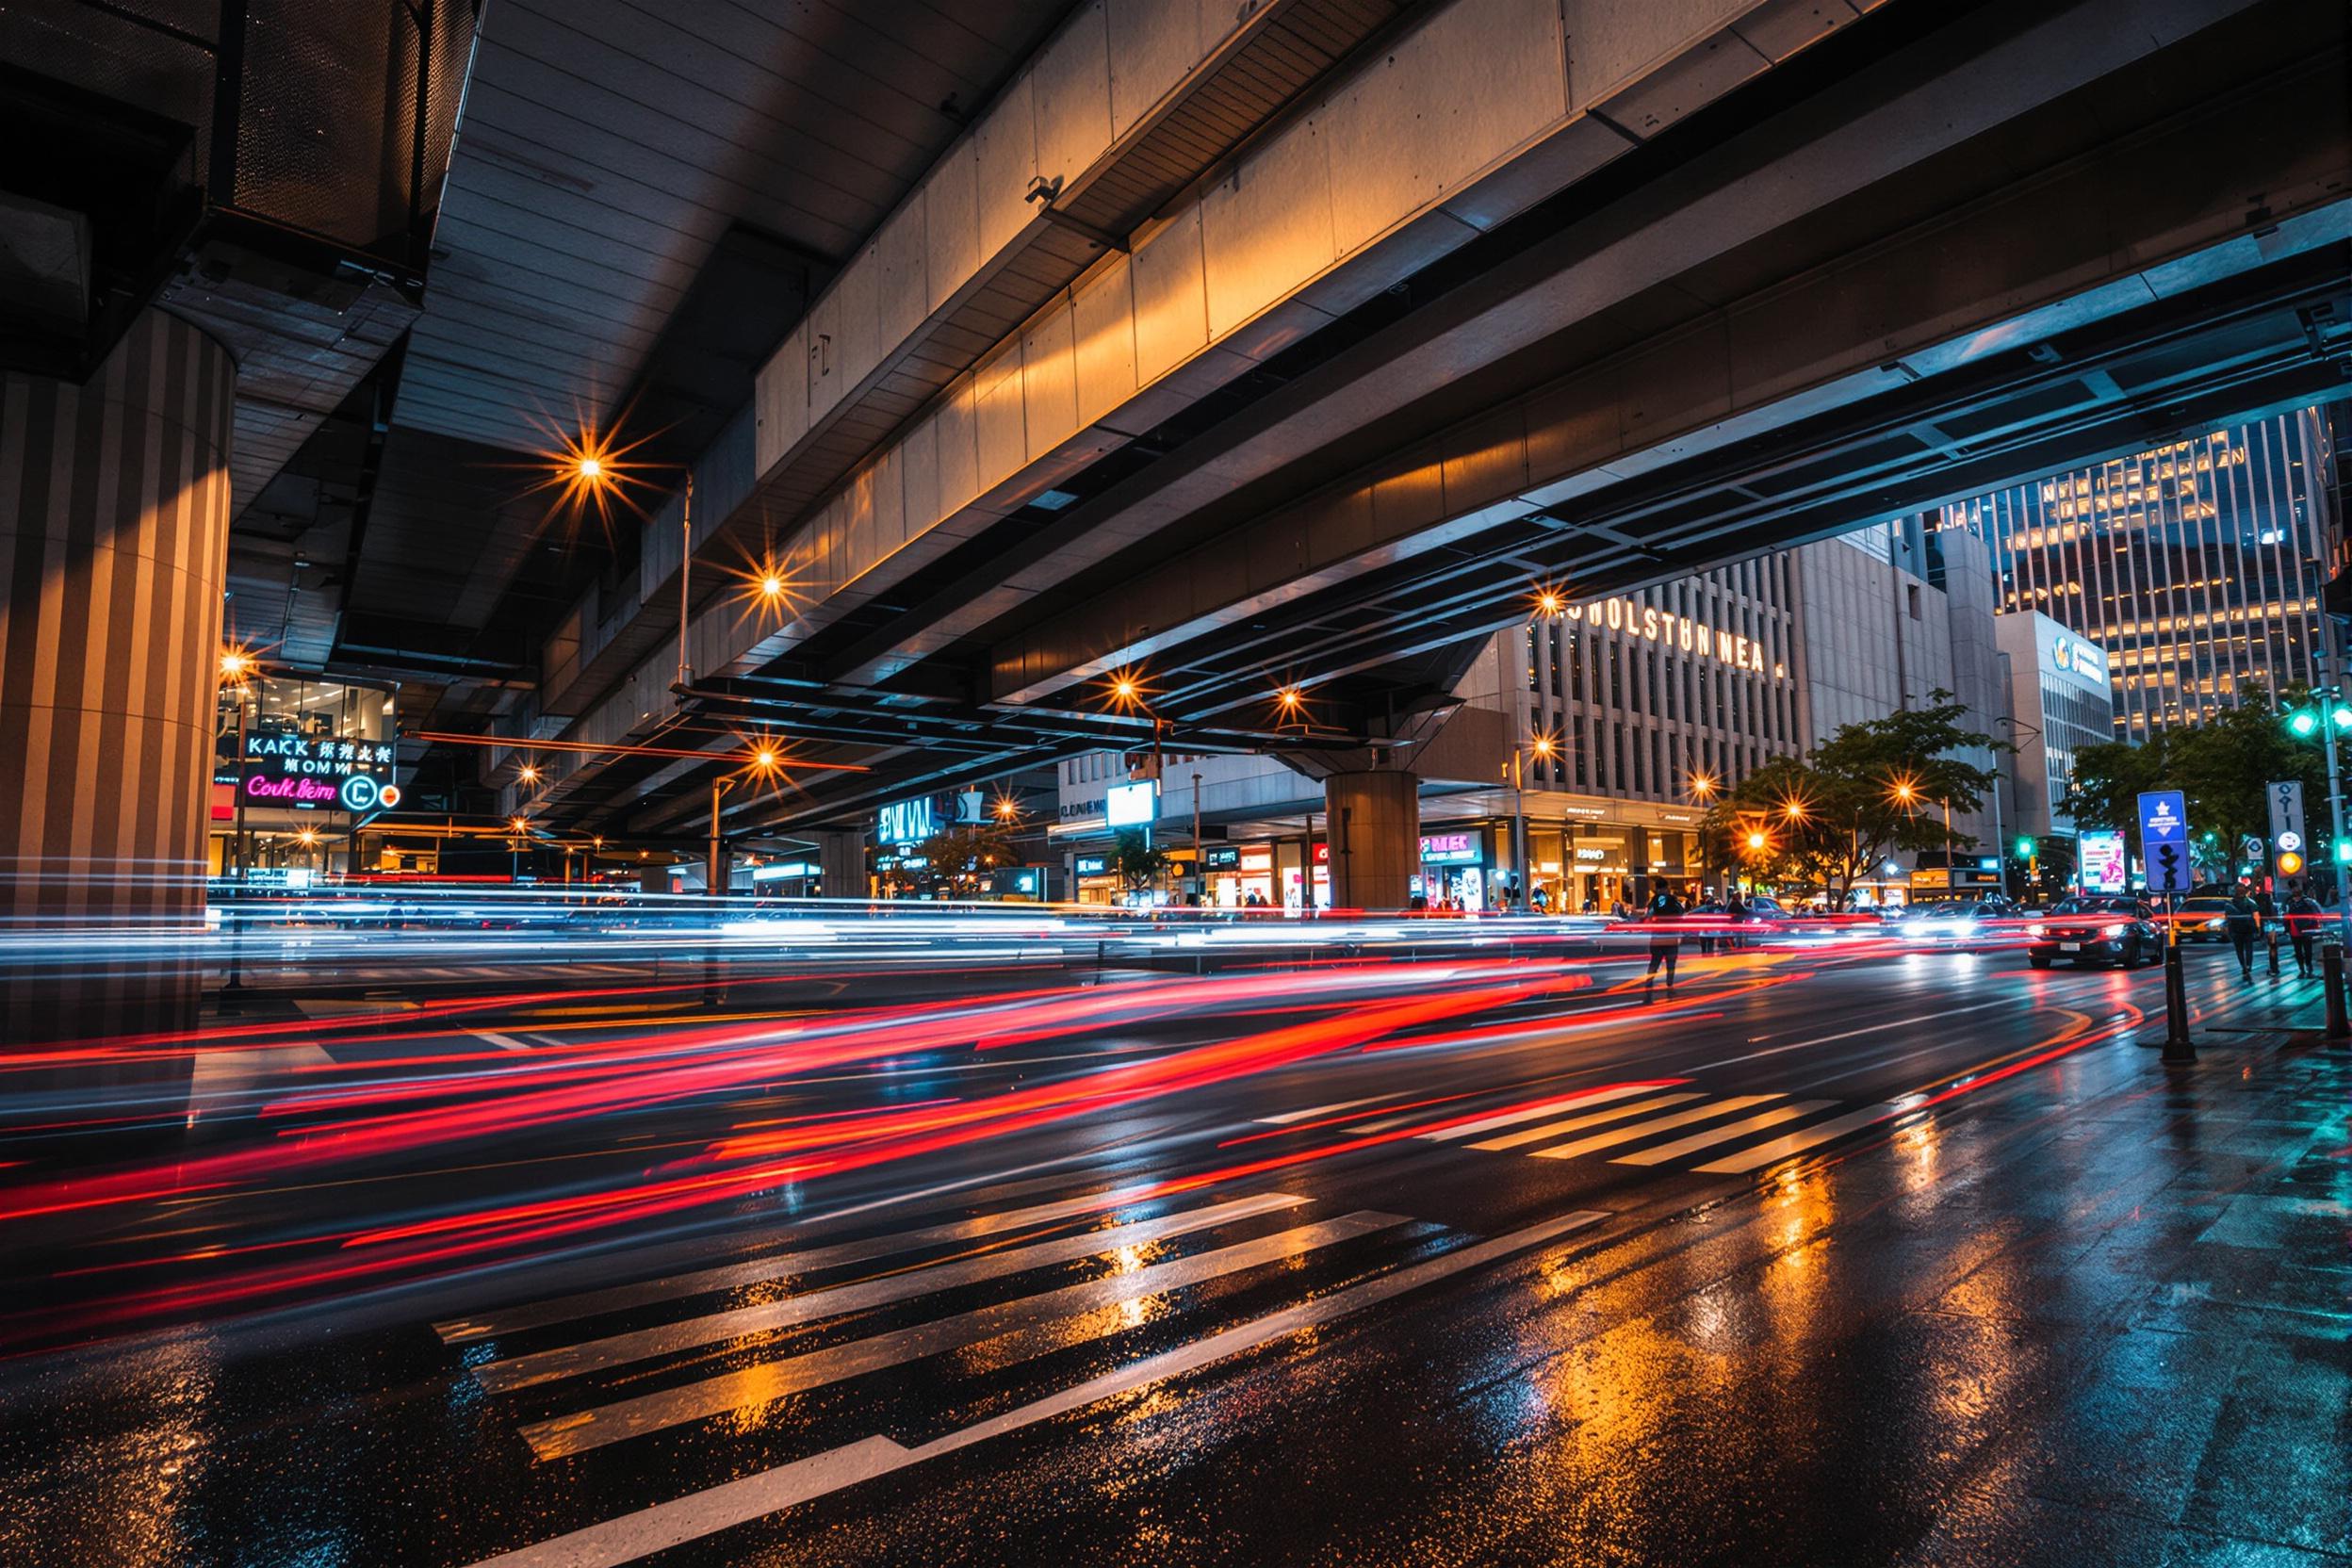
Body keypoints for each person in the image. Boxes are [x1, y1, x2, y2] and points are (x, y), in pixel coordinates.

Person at [1645, 883, 1686, 991]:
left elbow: (1648, 916)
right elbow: (1682, 914)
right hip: (1671, 938)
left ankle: (1649, 981)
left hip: (1657, 938)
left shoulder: (1654, 902)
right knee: (1671, 963)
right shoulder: (1675, 902)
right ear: (1667, 889)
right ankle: (1669, 983)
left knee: (1655, 962)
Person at [2286, 881, 2323, 977]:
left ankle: (2308, 968)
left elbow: (2318, 912)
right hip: (2295, 931)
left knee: (2308, 951)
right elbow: (2285, 916)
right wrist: (2287, 928)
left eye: (2297, 888)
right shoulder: (2289, 903)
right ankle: (2302, 969)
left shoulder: (2308, 901)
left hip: (2307, 929)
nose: (2295, 890)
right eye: (2294, 888)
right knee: (2298, 951)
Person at [2224, 888, 2260, 981]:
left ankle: (2244, 966)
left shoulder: (2229, 904)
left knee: (2239, 950)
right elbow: (2256, 915)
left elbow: (2227, 918)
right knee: (2249, 949)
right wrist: (2258, 927)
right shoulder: (2250, 902)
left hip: (2236, 930)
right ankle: (2248, 965)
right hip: (2248, 929)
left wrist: (2228, 929)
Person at [2253, 883, 2282, 975]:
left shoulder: (2260, 910)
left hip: (2267, 927)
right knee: (2273, 948)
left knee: (2271, 948)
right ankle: (2274, 967)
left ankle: (2273, 968)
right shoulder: (2272, 908)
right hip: (2271, 927)